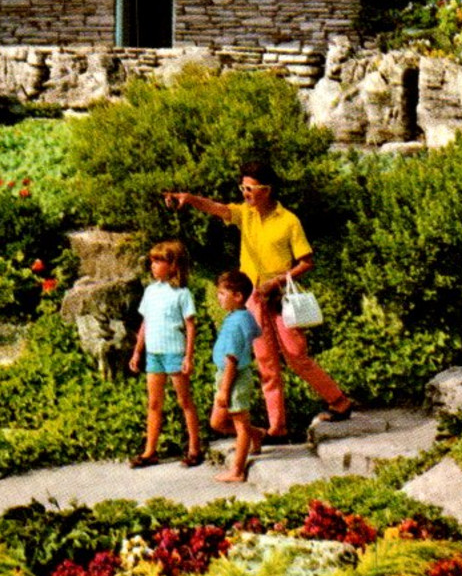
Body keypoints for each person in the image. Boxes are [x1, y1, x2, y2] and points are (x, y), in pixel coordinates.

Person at [164, 162, 354, 440]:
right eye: (242, 187)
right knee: (266, 362)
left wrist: (277, 280)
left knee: (296, 355)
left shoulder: (288, 220)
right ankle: (278, 427)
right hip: (252, 296)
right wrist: (190, 199)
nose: (245, 193)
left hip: (279, 296)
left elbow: (306, 262)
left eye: (250, 188)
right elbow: (218, 209)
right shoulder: (246, 215)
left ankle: (339, 401)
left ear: (266, 190)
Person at [127, 240, 205, 469]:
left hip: (174, 353)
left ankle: (194, 448)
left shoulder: (182, 293)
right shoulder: (151, 291)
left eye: (159, 261)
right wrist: (137, 351)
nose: (153, 265)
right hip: (154, 354)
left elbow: (190, 326)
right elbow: (145, 322)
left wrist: (188, 357)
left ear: (173, 265)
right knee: (154, 403)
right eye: (152, 261)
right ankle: (150, 450)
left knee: (184, 401)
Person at [209, 269, 265, 483]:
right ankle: (255, 434)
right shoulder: (242, 316)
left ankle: (237, 470)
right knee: (217, 422)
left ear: (238, 296)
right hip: (227, 375)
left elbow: (231, 359)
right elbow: (255, 333)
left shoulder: (235, 324)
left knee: (240, 425)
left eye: (222, 294)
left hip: (233, 377)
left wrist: (225, 389)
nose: (218, 298)